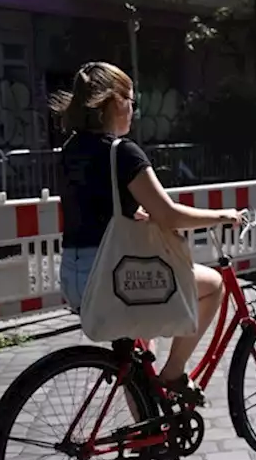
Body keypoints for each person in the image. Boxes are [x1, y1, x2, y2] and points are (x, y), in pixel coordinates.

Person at [51, 62, 243, 406]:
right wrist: (220, 215)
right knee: (213, 284)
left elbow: (94, 206)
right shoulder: (121, 152)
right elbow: (168, 215)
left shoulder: (70, 150)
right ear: (112, 102)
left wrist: (129, 213)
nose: (133, 110)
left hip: (76, 279)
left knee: (139, 349)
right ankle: (174, 372)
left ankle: (146, 430)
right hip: (113, 277)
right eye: (130, 100)